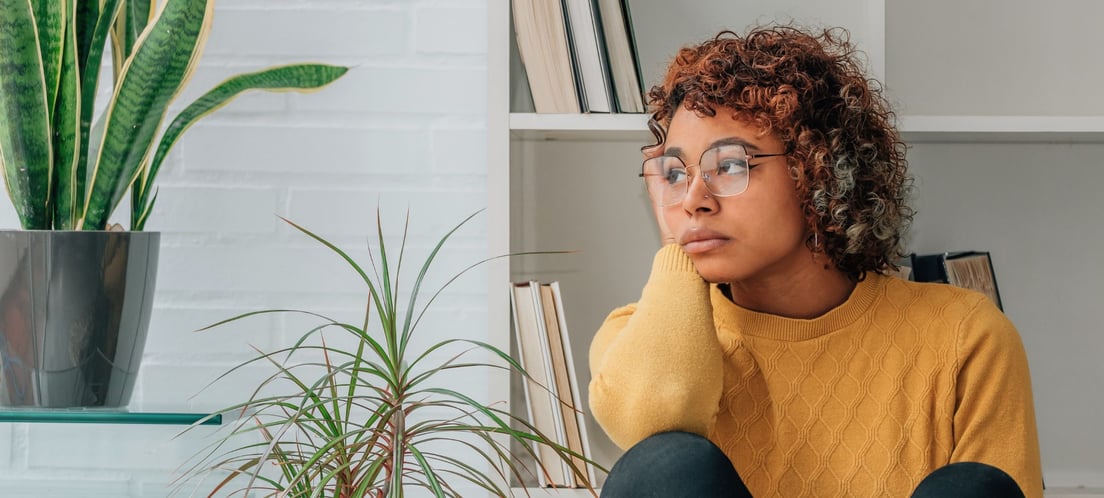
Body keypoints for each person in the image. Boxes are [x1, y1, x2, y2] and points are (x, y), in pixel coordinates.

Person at [587, 26, 1042, 497]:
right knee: (667, 466)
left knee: (973, 489)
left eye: (729, 165)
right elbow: (655, 426)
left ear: (816, 171)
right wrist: (676, 249)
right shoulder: (633, 338)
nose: (693, 200)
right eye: (677, 174)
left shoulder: (964, 336)